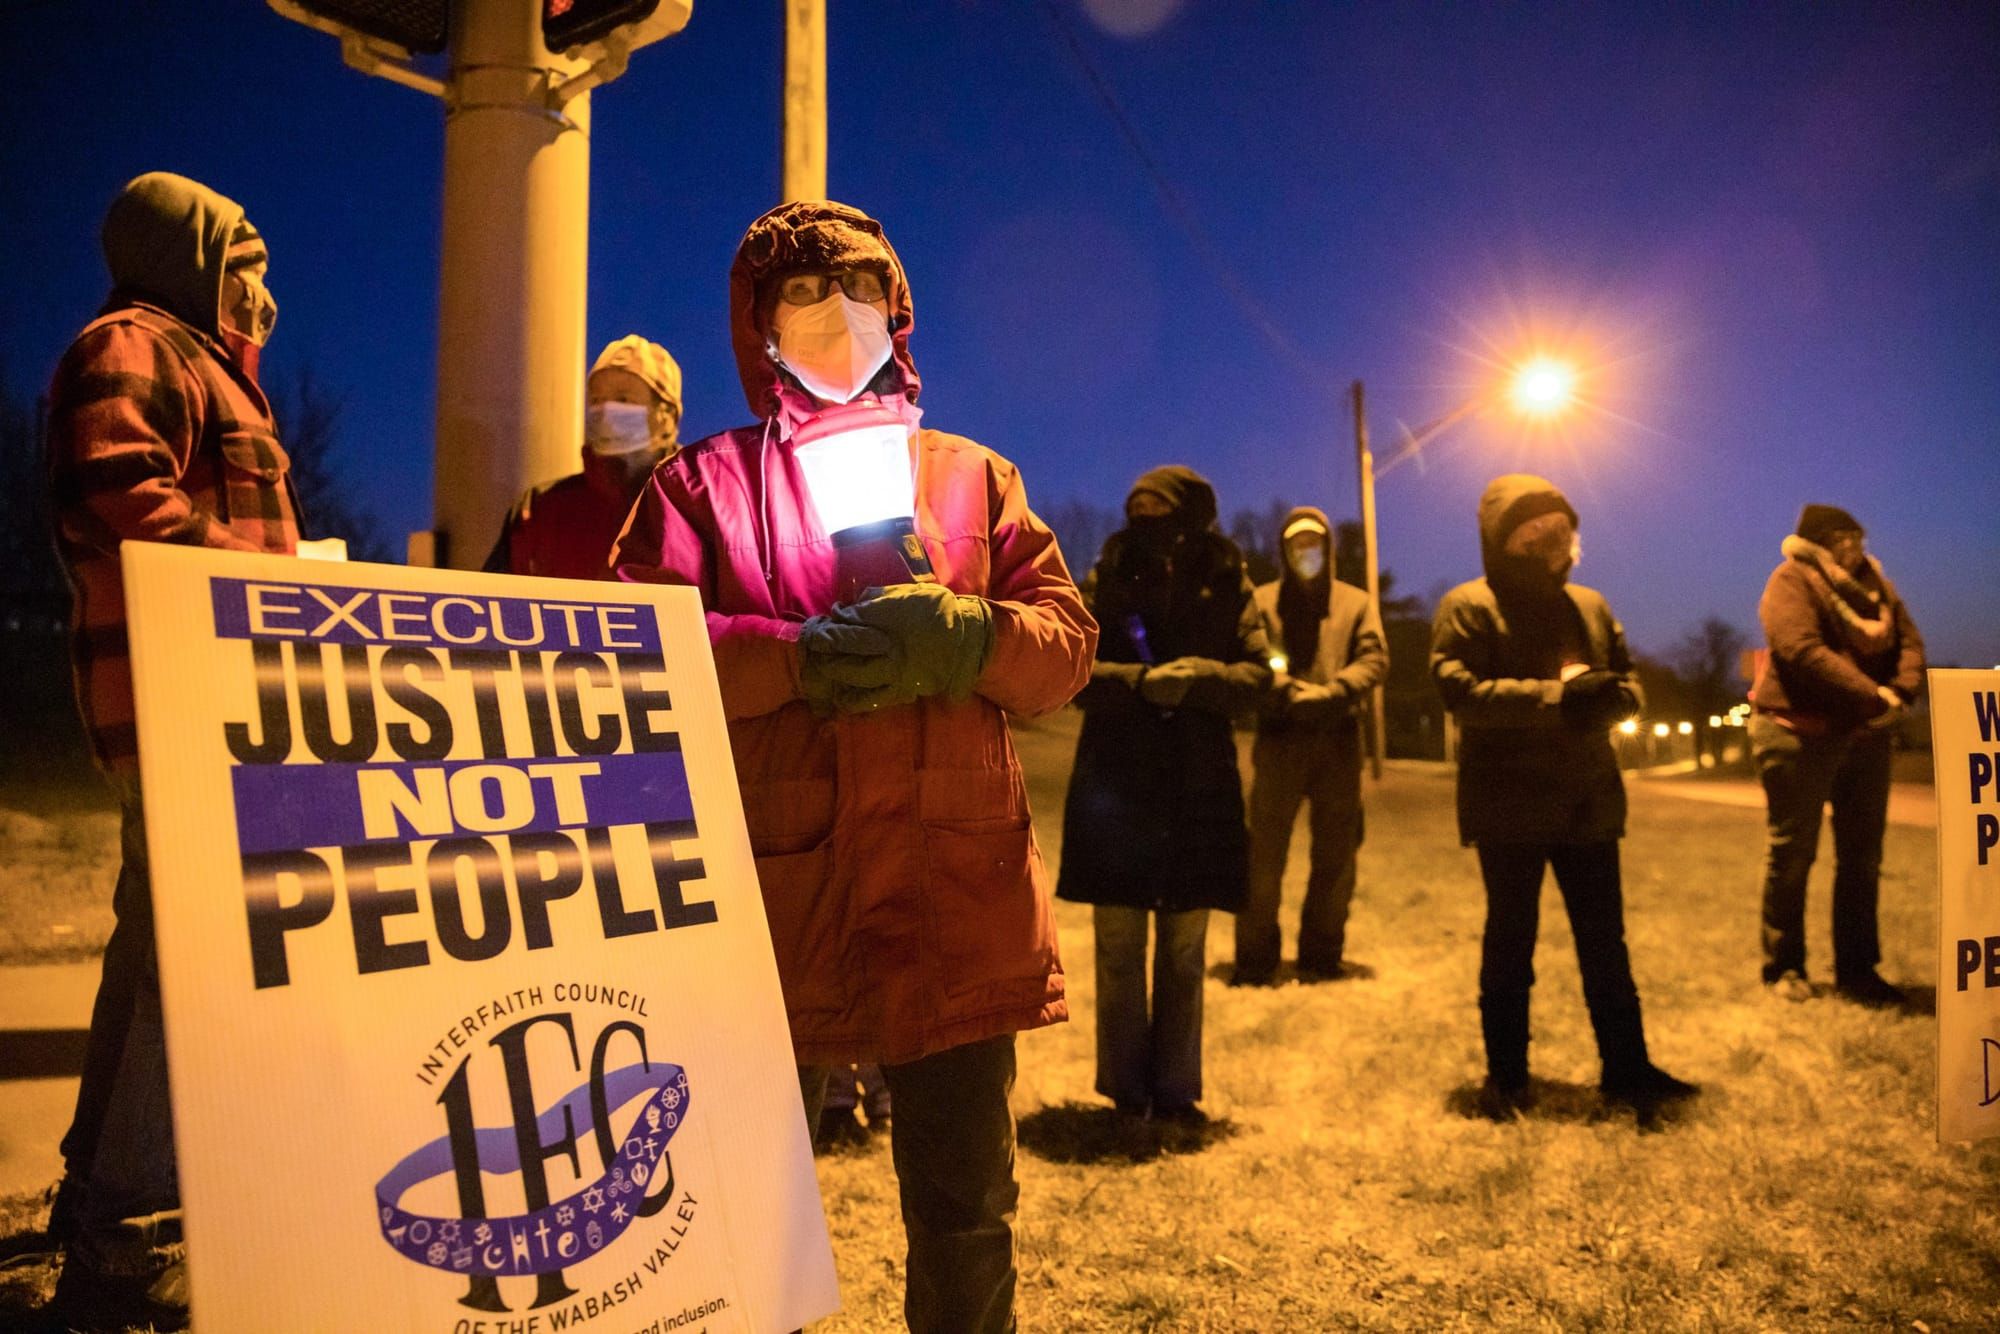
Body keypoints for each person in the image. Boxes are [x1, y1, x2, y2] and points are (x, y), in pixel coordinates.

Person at [612, 199, 1094, 1333]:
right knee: (736, 1210)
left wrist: (975, 635)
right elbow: (634, 651)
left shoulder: (972, 476)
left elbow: (1065, 645)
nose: (835, 320)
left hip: (951, 891)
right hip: (775, 902)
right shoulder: (702, 487)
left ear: (897, 311)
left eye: (858, 295)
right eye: (801, 299)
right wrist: (794, 661)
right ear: (758, 330)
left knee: (965, 1205)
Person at [43, 172, 300, 1331]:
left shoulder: (193, 358)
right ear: (192, 254)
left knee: (150, 946)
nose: (266, 290)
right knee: (184, 969)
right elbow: (119, 488)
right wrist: (262, 590)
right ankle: (130, 1248)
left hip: (208, 705)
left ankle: (95, 1194)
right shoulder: (133, 344)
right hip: (176, 699)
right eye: (247, 261)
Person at [1430, 474, 1695, 1120]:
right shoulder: (1469, 605)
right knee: (1511, 940)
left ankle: (1627, 1068)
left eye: (1562, 530)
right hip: (1509, 804)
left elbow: (1631, 683)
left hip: (1588, 801)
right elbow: (1459, 693)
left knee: (1606, 941)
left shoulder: (1591, 606)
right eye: (1538, 531)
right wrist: (1555, 699)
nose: (1557, 543)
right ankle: (1508, 1079)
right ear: (1507, 537)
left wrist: (1609, 695)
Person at [1056, 467, 1271, 1120]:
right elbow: (1070, 669)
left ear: (1191, 513)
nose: (1144, 517)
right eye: (1136, 507)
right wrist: (1139, 685)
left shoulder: (1229, 574)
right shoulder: (1109, 569)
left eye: (1159, 507)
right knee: (1119, 944)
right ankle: (1125, 1090)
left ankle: (1176, 1091)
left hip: (1197, 784)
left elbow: (1259, 674)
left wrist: (1201, 678)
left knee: (1184, 948)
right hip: (1116, 784)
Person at [1749, 504, 1924, 1007]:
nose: (1855, 546)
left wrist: (1902, 692)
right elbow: (1799, 649)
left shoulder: (1877, 589)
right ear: (1819, 543)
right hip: (1796, 733)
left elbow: (1911, 643)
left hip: (1865, 735)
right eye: (1842, 537)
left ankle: (1858, 969)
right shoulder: (1792, 580)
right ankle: (1784, 967)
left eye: (1857, 536)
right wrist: (1875, 695)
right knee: (1792, 853)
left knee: (1863, 858)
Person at [1236, 506, 1388, 985]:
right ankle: (1256, 959)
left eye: (1315, 543)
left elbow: (1374, 657)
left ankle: (1321, 955)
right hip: (1279, 741)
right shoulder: (1261, 602)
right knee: (1263, 855)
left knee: (1336, 856)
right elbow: (1248, 652)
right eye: (1297, 544)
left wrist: (1333, 692)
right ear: (1284, 550)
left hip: (1339, 743)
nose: (1307, 553)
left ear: (1328, 548)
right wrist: (1282, 692)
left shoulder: (1355, 603)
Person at [484, 334, 683, 578]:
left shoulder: (694, 503)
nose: (606, 411)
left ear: (667, 416)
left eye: (623, 399)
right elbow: (496, 601)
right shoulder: (538, 509)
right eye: (597, 400)